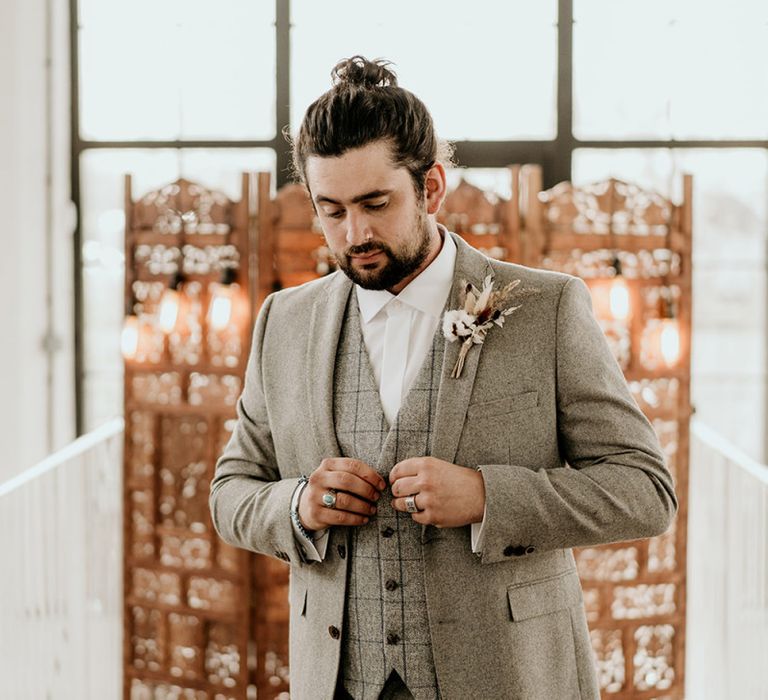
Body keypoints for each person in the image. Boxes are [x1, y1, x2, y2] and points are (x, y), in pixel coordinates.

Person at [209, 56, 678, 700]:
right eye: (332, 211)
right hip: (338, 679)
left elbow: (645, 491)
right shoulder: (283, 322)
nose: (356, 233)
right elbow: (231, 492)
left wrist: (489, 496)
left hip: (506, 676)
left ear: (430, 187)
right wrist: (297, 505)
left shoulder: (548, 308)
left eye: (376, 203)